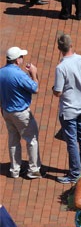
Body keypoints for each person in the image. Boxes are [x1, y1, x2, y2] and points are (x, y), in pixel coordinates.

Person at [53, 33, 81, 184]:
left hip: (69, 109)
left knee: (71, 141)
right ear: (72, 45)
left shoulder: (61, 67)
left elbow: (58, 92)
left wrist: (56, 89)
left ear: (59, 48)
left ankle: (75, 174)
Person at [1, 46, 41, 180]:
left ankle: (14, 170)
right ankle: (33, 170)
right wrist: (33, 73)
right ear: (17, 60)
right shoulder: (19, 75)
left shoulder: (1, 72)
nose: (23, 59)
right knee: (32, 139)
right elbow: (35, 88)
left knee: (13, 140)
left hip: (7, 112)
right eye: (21, 57)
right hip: (21, 113)